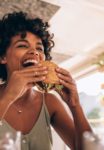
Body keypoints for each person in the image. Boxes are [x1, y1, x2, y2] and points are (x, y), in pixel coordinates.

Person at [0, 11, 92, 150]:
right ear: (2, 57)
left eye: (39, 48)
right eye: (22, 45)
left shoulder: (50, 102)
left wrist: (75, 105)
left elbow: (88, 148)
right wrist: (8, 98)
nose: (34, 52)